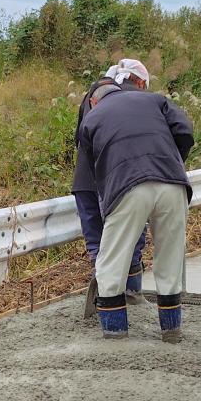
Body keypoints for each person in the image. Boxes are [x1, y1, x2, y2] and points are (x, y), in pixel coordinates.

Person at [75, 62, 195, 342]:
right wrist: (171, 161)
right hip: (173, 184)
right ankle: (171, 331)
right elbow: (185, 130)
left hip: (129, 186)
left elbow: (92, 172)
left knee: (111, 262)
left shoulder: (91, 119)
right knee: (169, 260)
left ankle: (116, 333)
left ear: (94, 101)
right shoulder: (154, 99)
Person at [71, 60, 147, 318]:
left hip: (85, 182)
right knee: (131, 234)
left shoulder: (92, 94)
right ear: (138, 82)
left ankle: (102, 292)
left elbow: (79, 137)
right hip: (111, 180)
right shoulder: (121, 99)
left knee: (98, 242)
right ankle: (127, 295)